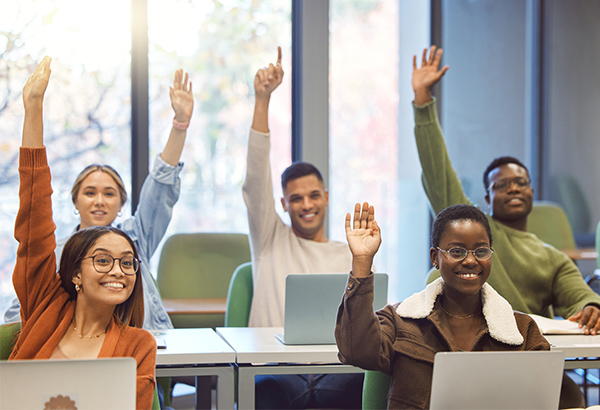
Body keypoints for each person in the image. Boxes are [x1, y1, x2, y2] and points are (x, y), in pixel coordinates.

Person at [412, 45, 599, 407]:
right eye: (501, 184)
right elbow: (439, 173)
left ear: (531, 192)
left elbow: (581, 297)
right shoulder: (476, 247)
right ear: (486, 198)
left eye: (521, 182)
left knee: (572, 398)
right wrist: (423, 103)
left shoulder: (550, 257)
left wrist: (592, 306)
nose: (513, 187)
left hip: (529, 364)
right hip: (466, 362)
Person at [4, 58, 194, 332]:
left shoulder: (136, 238)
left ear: (121, 206)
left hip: (142, 350)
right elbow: (18, 312)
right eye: (90, 192)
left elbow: (160, 187)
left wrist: (180, 123)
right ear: (75, 202)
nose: (99, 200)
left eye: (109, 193)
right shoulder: (56, 251)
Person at [9, 56, 155, 409]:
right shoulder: (44, 308)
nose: (118, 271)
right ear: (75, 272)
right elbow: (35, 225)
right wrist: (33, 109)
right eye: (103, 260)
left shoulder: (139, 344)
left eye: (127, 263)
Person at [336, 202, 551, 409]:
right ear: (435, 258)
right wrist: (362, 262)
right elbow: (356, 350)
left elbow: (544, 397)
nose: (470, 261)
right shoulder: (401, 320)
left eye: (481, 251)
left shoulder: (522, 331)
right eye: (456, 251)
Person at [243, 47, 362, 408]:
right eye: (296, 199)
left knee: (364, 386)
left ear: (325, 197)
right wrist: (262, 100)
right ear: (283, 204)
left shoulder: (349, 253)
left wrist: (364, 261)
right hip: (274, 368)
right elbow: (255, 176)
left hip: (335, 369)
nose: (306, 205)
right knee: (268, 394)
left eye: (313, 196)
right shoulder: (270, 239)